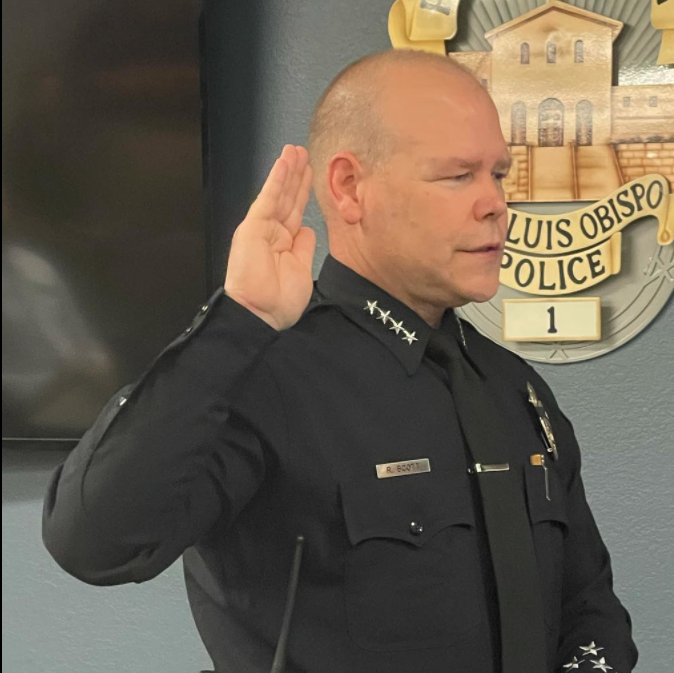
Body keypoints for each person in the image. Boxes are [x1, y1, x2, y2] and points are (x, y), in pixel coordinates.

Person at [42, 49, 638, 673]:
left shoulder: (516, 389)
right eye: (458, 176)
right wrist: (237, 321)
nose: (494, 203)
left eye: (499, 174)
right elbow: (94, 543)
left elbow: (588, 605)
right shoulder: (260, 375)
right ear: (350, 188)